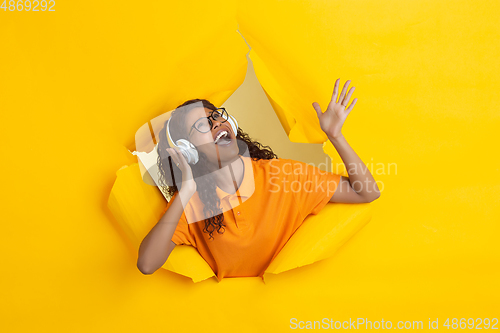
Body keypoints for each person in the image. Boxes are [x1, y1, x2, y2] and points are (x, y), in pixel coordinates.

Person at [137, 79, 381, 280]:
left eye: (217, 117)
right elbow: (147, 264)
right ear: (188, 149)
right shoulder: (190, 204)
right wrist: (187, 189)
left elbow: (366, 192)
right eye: (202, 124)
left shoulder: (282, 176)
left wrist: (336, 136)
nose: (217, 123)